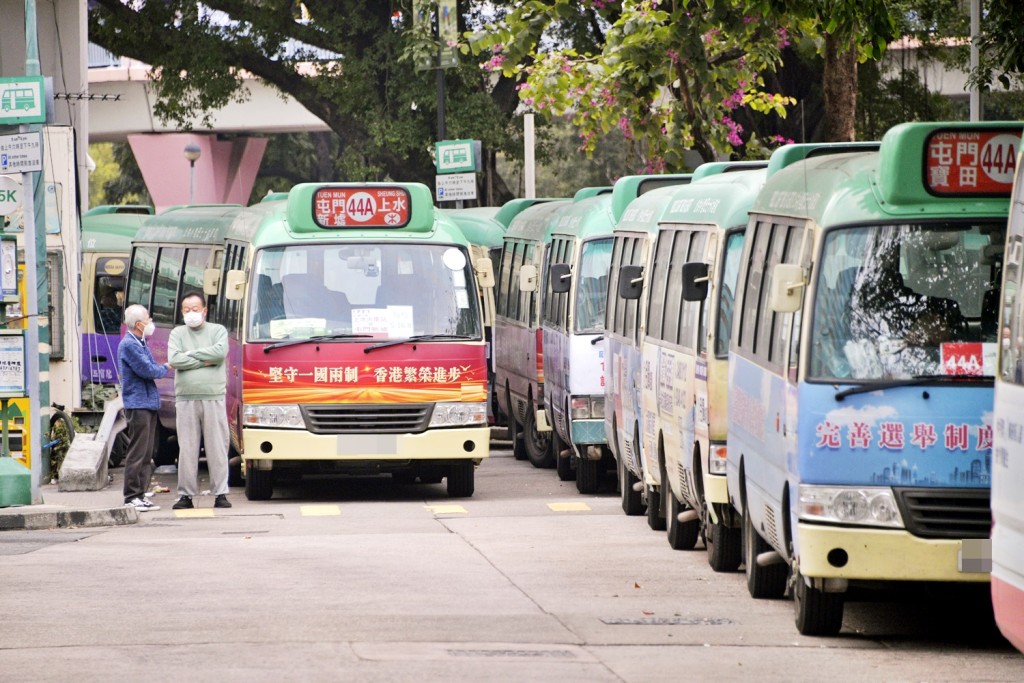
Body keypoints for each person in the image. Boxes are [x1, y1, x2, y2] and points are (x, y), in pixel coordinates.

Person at [168, 292, 231, 509]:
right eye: (186, 310)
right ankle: (185, 495)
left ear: (205, 310)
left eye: (195, 309)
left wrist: (190, 355)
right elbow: (174, 359)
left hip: (213, 396)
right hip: (185, 397)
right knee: (187, 448)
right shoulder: (177, 333)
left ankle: (221, 493)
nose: (191, 313)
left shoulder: (217, 330)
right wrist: (204, 360)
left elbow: (220, 353)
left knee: (218, 447)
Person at [118, 304, 169, 512]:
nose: (150, 322)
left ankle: (140, 494)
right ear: (139, 324)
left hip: (147, 403)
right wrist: (166, 367)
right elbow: (148, 370)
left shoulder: (140, 342)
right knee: (137, 452)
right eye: (148, 318)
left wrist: (160, 368)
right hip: (138, 404)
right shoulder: (129, 345)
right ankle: (131, 496)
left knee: (147, 453)